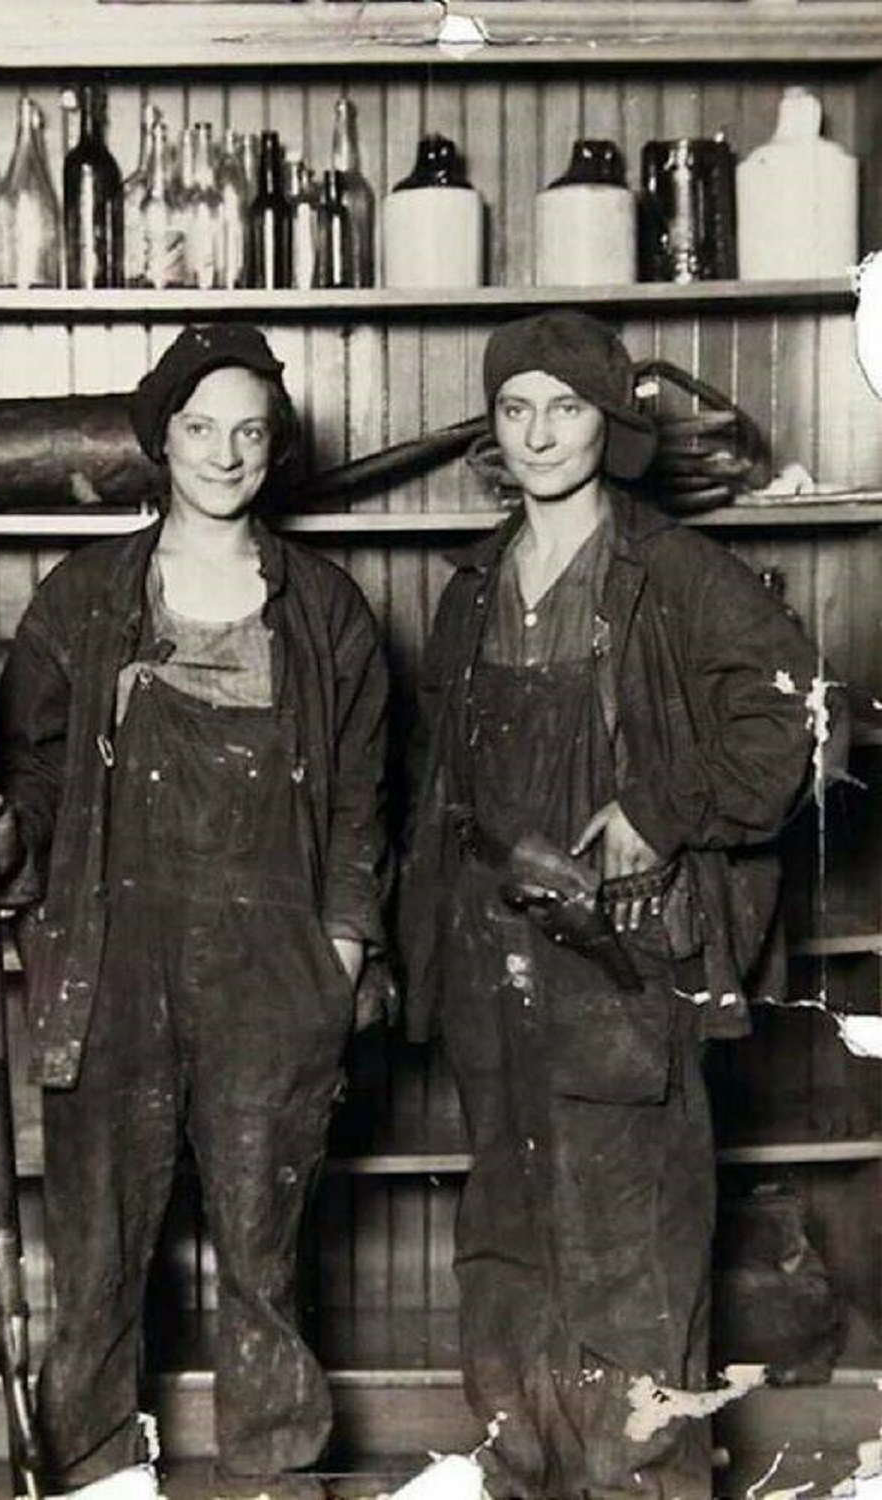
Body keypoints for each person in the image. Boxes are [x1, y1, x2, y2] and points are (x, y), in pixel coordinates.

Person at [0, 323, 390, 1500]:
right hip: (110, 957)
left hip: (272, 972)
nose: (225, 454)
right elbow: (30, 778)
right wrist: (3, 837)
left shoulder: (329, 614)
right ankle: (95, 1476)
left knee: (265, 1256)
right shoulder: (84, 599)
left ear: (275, 449)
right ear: (162, 441)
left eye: (250, 432)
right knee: (97, 1253)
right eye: (201, 429)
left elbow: (358, 810)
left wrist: (338, 957)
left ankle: (277, 1474)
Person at [401, 311, 831, 1500]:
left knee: (628, 1252)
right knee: (508, 1244)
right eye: (516, 409)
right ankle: (520, 1474)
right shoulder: (473, 586)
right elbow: (439, 795)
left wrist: (660, 809)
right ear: (493, 431)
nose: (540, 433)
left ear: (611, 422)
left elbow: (797, 716)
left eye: (568, 406)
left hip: (626, 961)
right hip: (496, 966)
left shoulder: (677, 575)